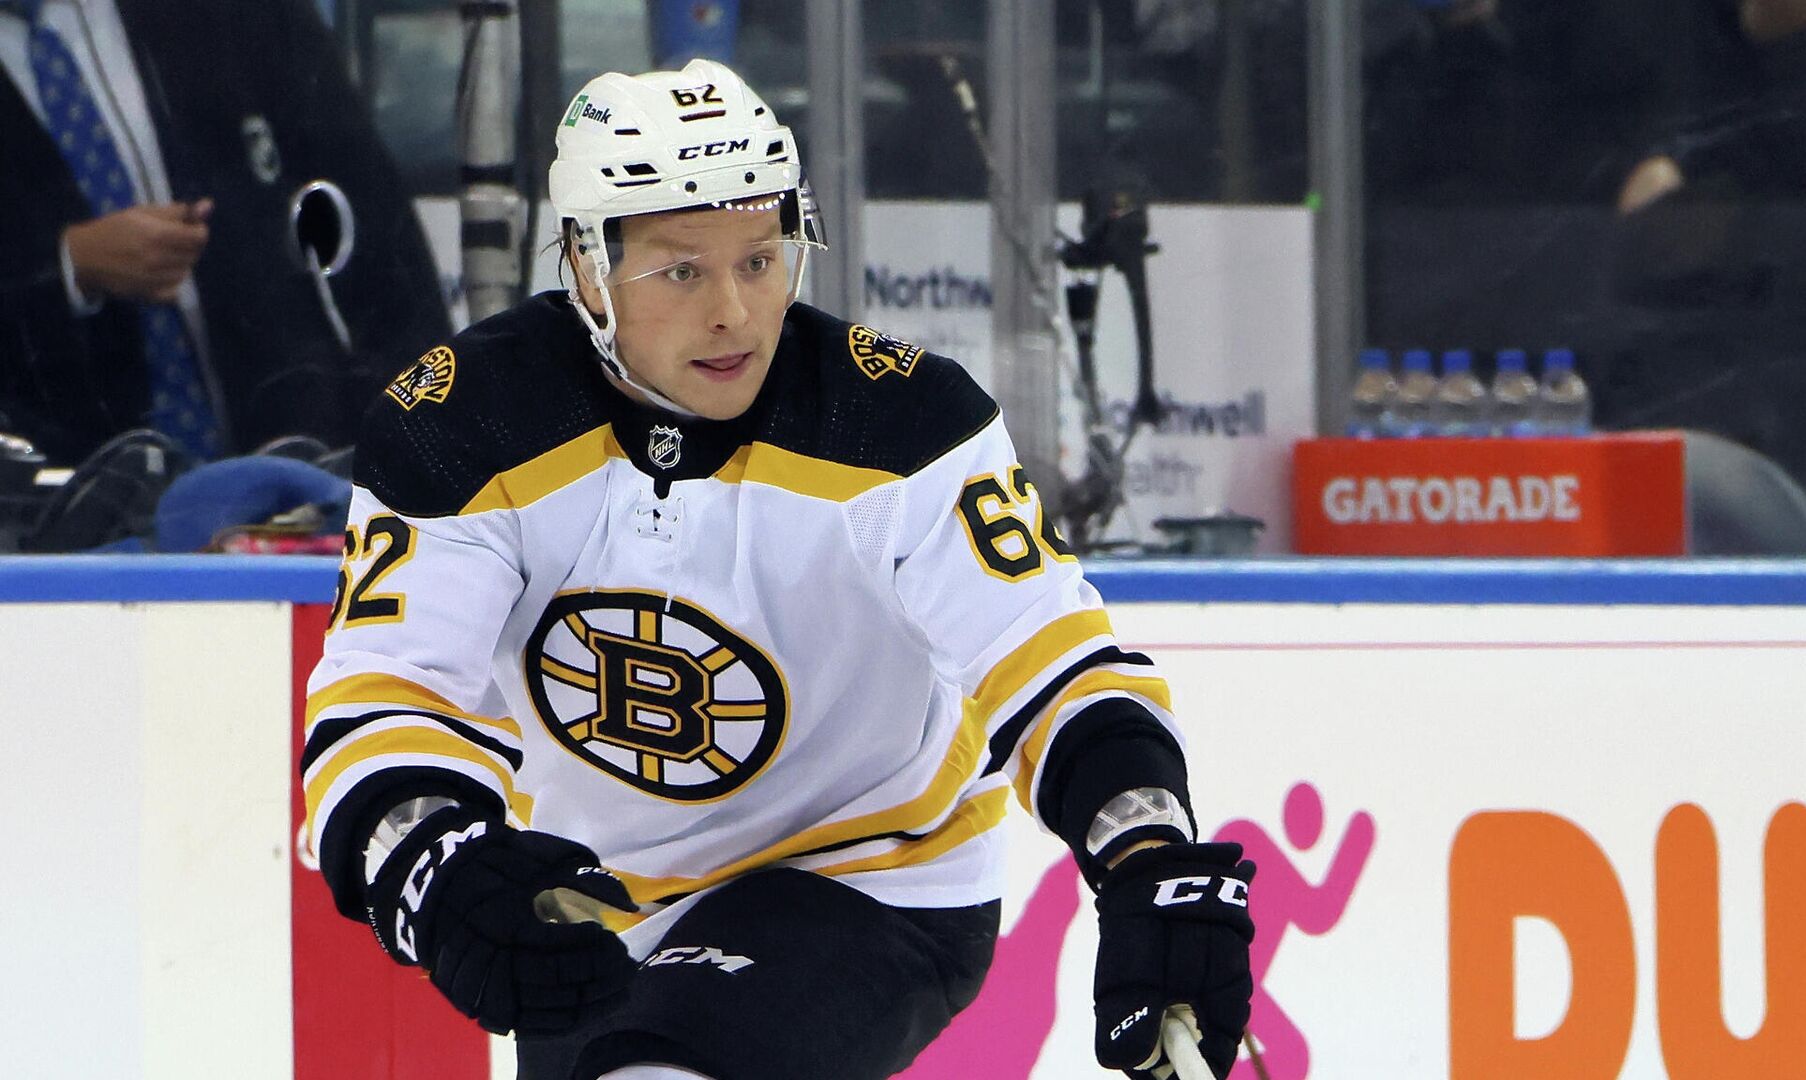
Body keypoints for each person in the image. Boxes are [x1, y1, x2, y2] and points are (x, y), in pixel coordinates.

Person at [302, 59, 1256, 1080]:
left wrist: (1147, 855)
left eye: (762, 260)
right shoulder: (463, 427)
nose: (737, 315)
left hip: (872, 875)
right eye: (682, 270)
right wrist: (438, 877)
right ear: (584, 266)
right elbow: (385, 698)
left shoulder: (901, 423)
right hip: (599, 901)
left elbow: (1051, 661)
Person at [0, 0, 450, 467]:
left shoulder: (228, 15)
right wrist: (68, 266)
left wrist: (431, 437)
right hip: (62, 494)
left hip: (298, 465)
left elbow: (376, 228)